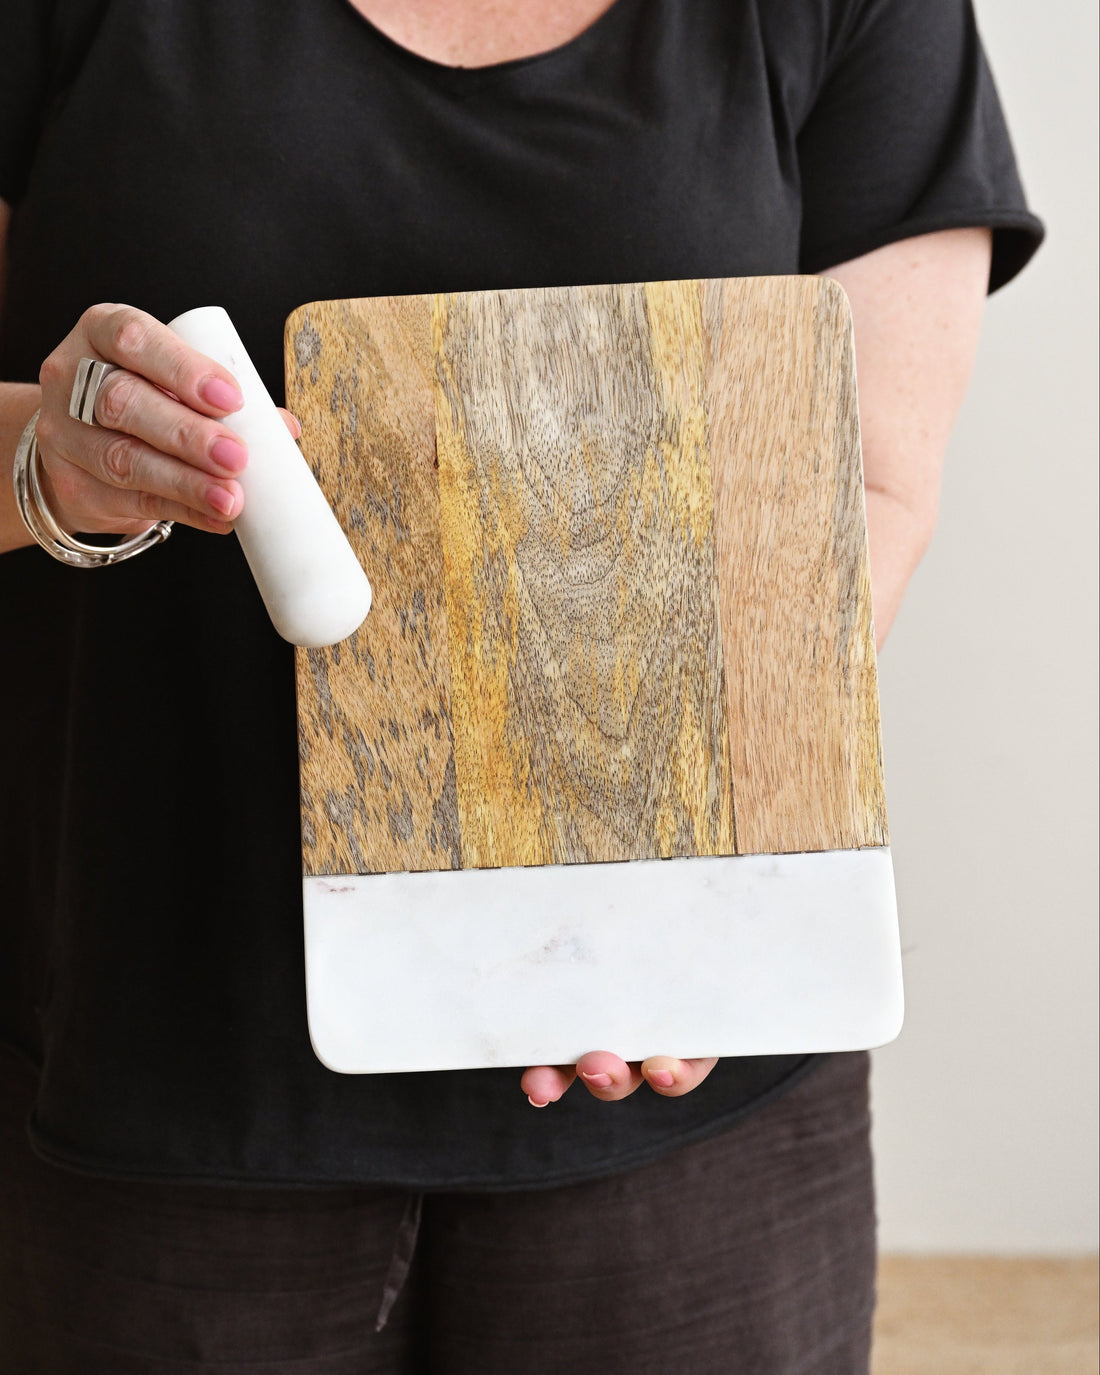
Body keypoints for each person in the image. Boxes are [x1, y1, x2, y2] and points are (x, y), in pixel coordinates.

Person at [0, 1, 1043, 1370]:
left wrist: (702, 876)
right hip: (158, 1061)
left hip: (681, 1071)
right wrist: (43, 456)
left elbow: (867, 486)